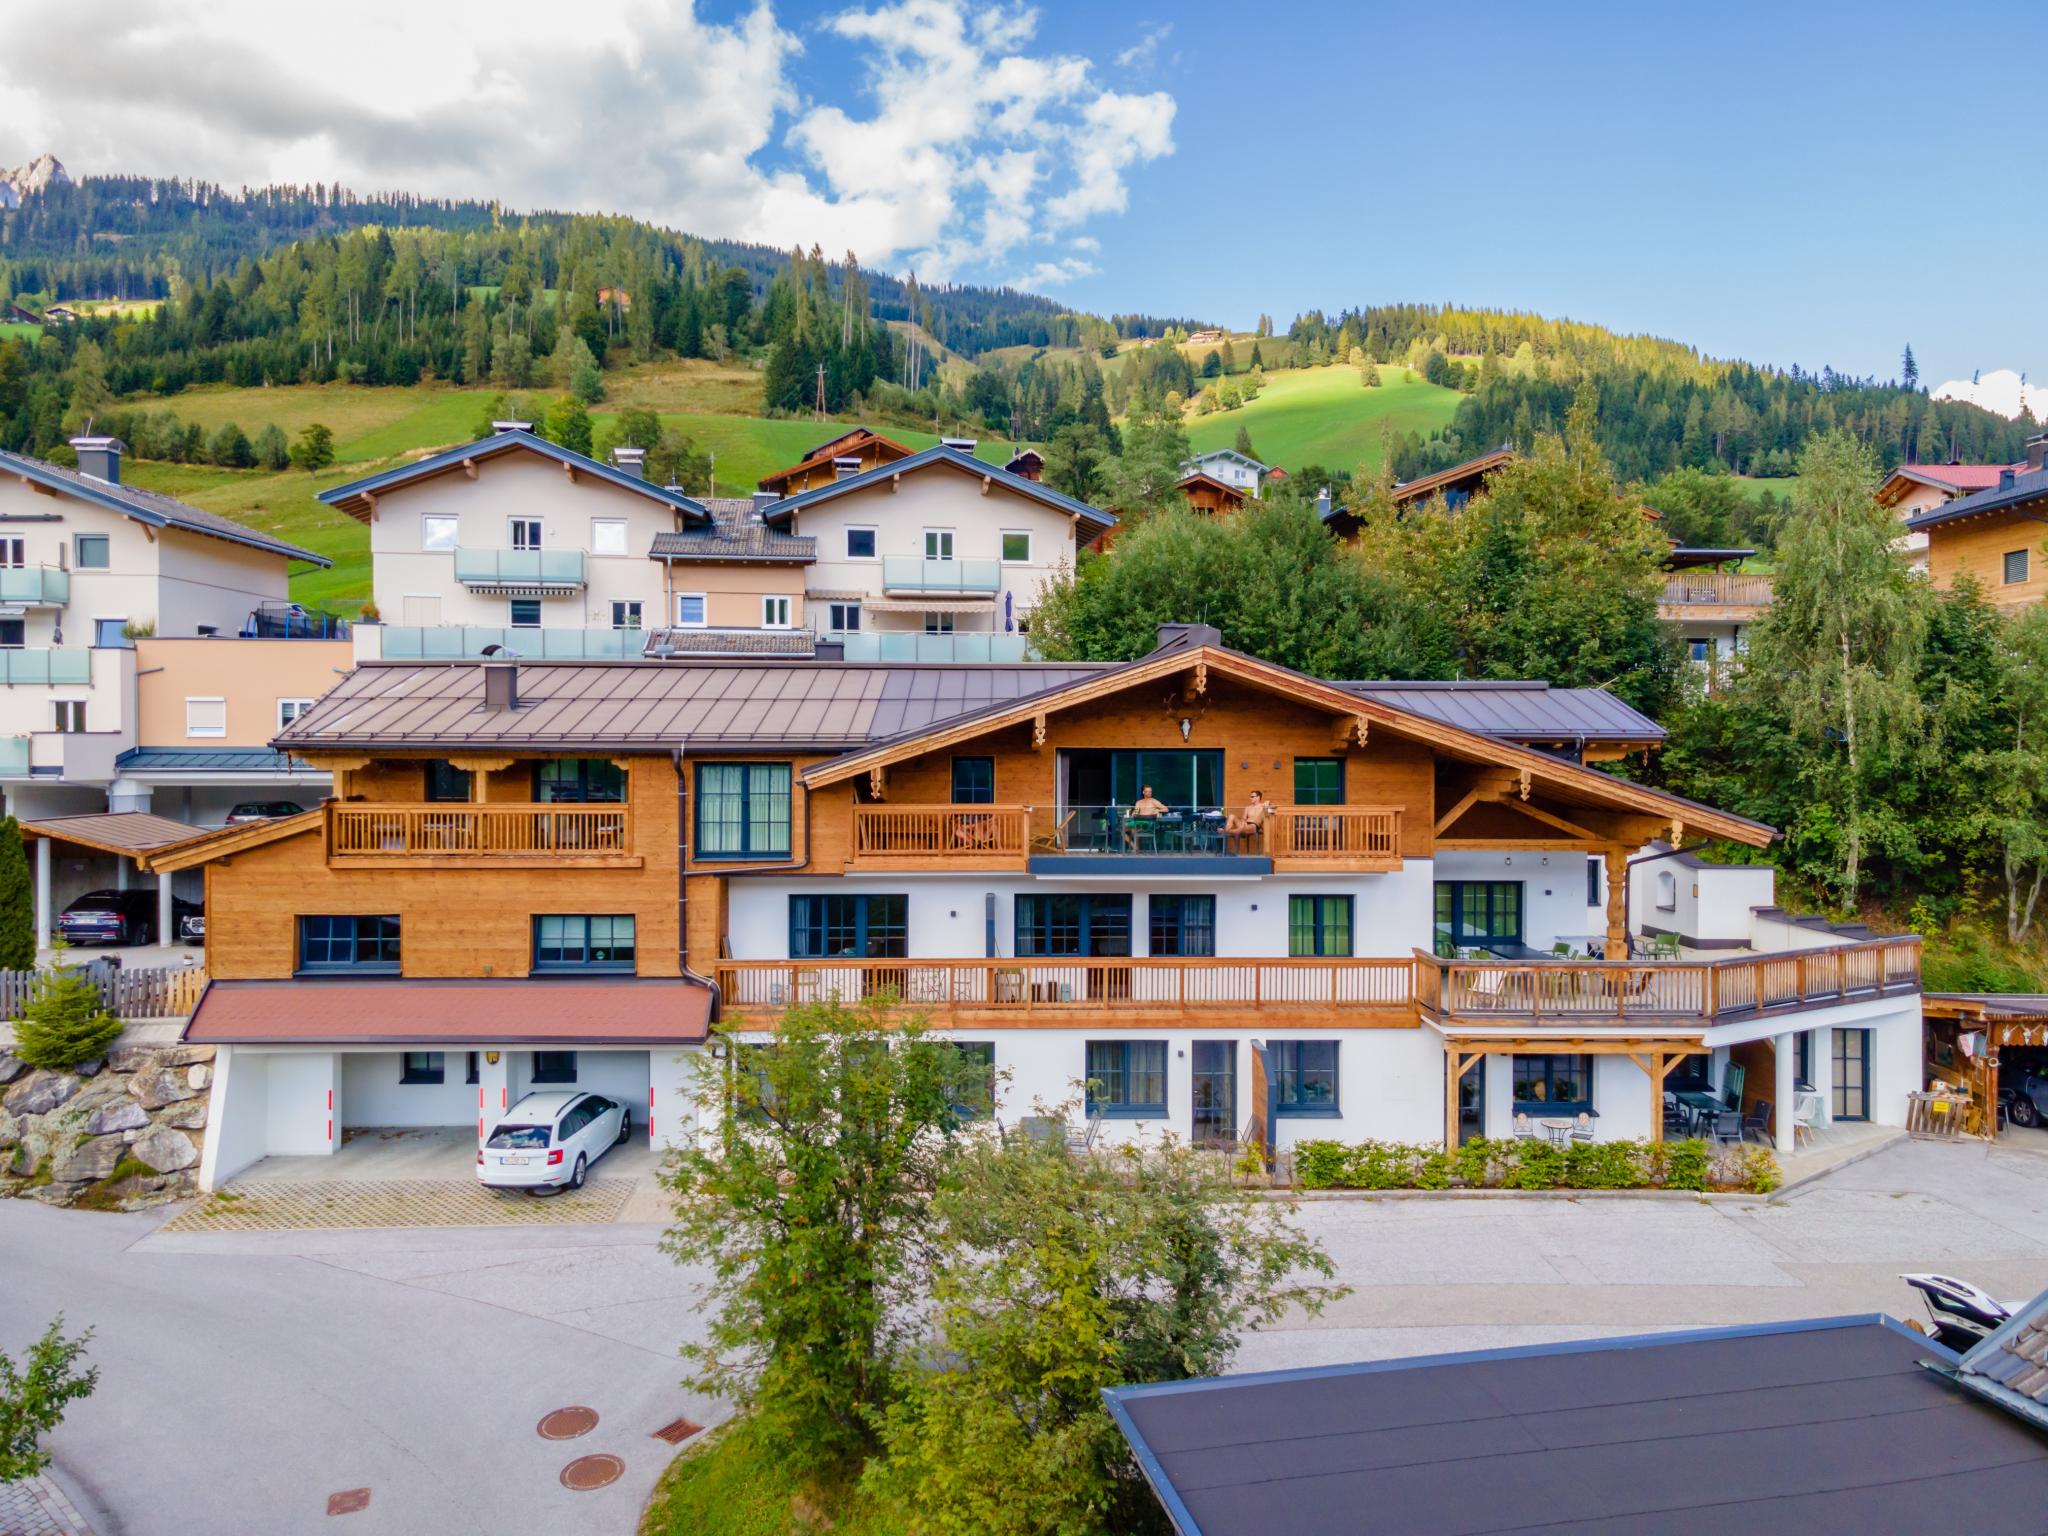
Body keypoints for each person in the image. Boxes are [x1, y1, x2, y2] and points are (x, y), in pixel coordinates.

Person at [1124, 784, 1169, 849]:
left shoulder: (1154, 801)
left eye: (1150, 791)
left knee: (1133, 828)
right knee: (1122, 829)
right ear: (1143, 792)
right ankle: (1134, 846)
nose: (1149, 793)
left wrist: (1158, 811)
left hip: (1148, 824)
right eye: (1147, 791)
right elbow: (1136, 813)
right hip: (1138, 822)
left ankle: (1136, 848)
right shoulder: (1139, 802)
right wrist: (1133, 813)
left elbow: (1166, 809)